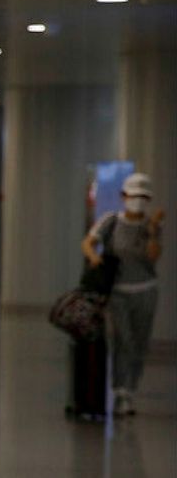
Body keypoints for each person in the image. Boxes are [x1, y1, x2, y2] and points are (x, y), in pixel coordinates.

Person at [82, 172, 164, 416]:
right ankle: (120, 391)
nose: (138, 201)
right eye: (134, 196)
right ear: (124, 196)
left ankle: (131, 389)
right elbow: (88, 242)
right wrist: (95, 259)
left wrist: (152, 230)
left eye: (143, 197)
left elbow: (153, 257)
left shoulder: (152, 226)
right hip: (118, 292)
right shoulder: (111, 221)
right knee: (123, 340)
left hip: (146, 291)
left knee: (139, 342)